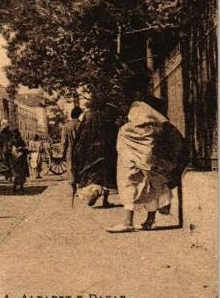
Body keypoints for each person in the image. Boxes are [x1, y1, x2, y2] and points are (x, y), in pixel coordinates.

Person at [106, 98, 189, 233]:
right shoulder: (156, 130)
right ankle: (150, 221)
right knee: (152, 187)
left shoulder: (126, 130)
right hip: (150, 165)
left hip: (130, 165)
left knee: (129, 186)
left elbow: (120, 150)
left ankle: (128, 221)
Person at [71, 96, 118, 208]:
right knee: (106, 174)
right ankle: (105, 200)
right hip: (106, 149)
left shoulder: (88, 115)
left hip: (90, 150)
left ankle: (94, 191)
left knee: (92, 173)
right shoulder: (107, 114)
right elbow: (113, 131)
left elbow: (82, 133)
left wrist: (79, 148)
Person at [10, 129, 30, 193]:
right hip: (19, 160)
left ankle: (16, 188)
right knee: (20, 174)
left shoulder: (12, 141)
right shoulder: (19, 141)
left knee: (18, 174)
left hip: (17, 160)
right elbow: (25, 149)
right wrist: (22, 149)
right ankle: (19, 187)